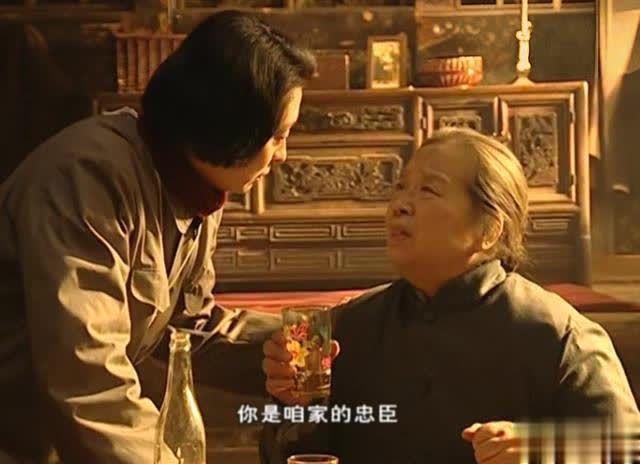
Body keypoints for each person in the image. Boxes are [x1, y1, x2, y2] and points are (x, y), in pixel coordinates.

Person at [0, 11, 315, 463]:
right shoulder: (86, 177)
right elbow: (89, 381)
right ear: (229, 124)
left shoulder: (193, 185)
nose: (282, 155)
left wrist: (287, 345)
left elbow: (187, 328)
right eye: (277, 136)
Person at [260, 128, 640, 464]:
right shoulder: (351, 326)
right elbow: (294, 451)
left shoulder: (559, 335)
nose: (399, 205)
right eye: (401, 187)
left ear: (488, 230)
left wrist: (543, 449)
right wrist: (295, 408)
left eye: (428, 190)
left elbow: (629, 448)